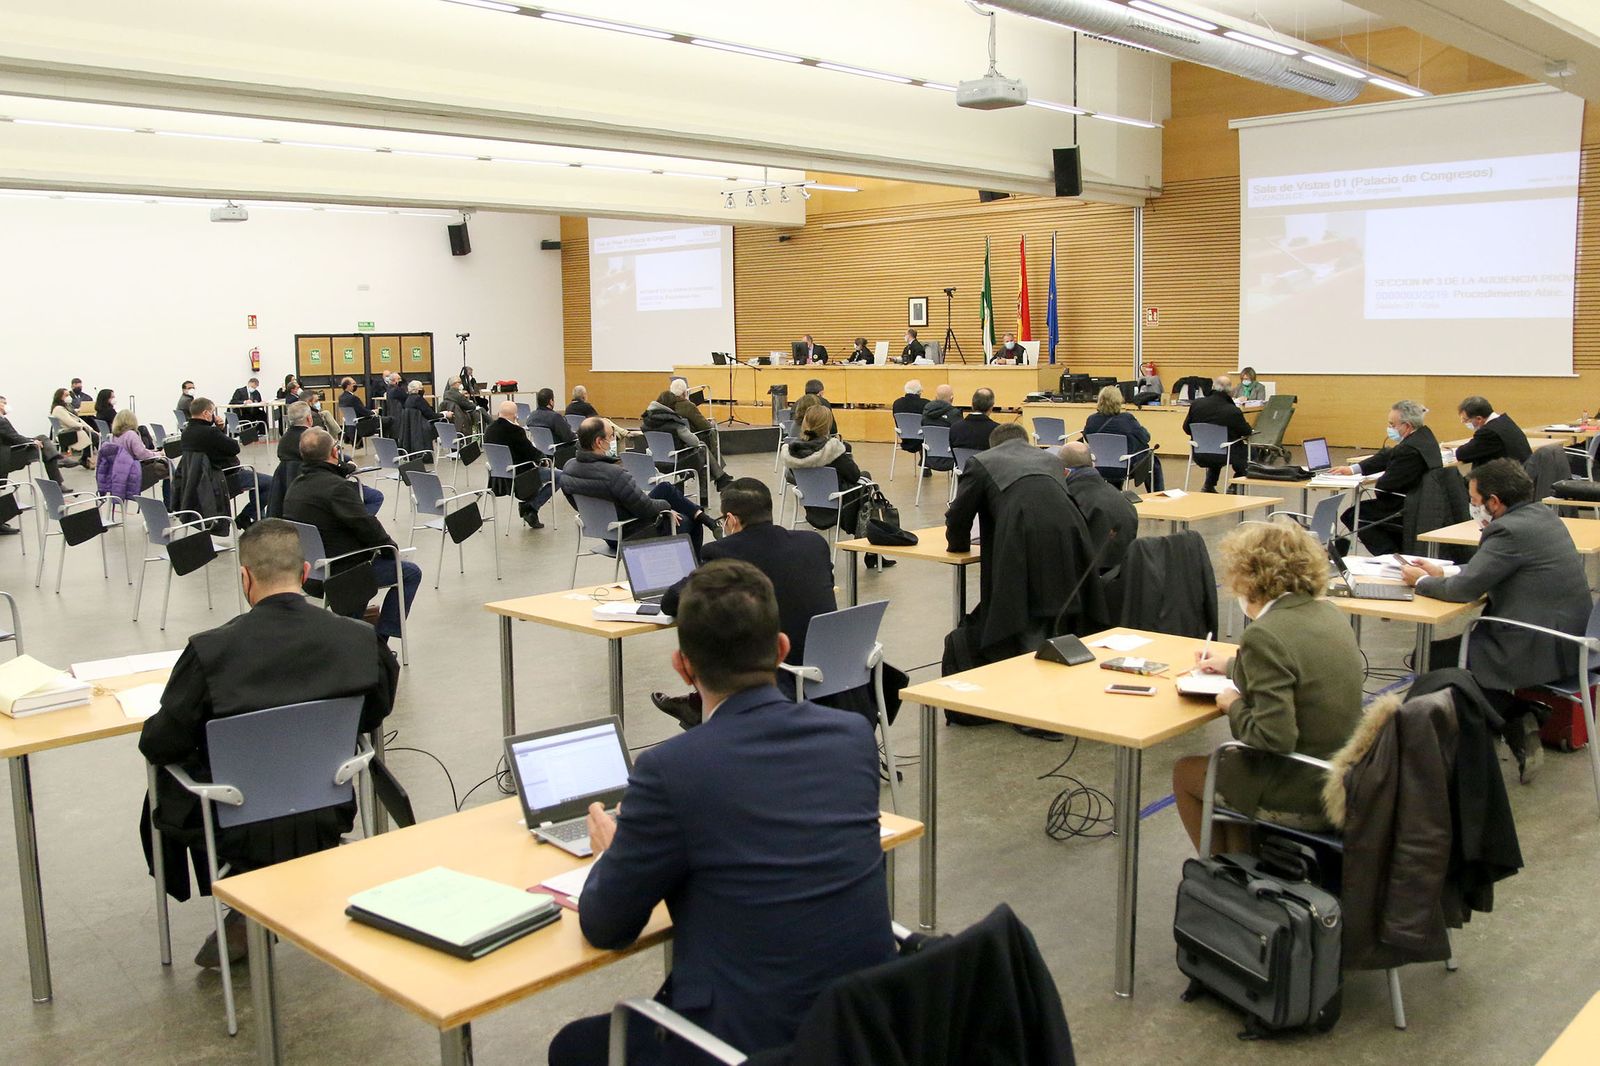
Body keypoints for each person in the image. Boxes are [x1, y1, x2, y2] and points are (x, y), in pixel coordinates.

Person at [547, 559, 893, 1066]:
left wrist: (611, 854)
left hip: (749, 1045)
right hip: (860, 1028)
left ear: (683, 667)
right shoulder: (852, 737)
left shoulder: (671, 769)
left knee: (572, 1048)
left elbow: (607, 927)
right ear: (781, 648)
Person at [139, 519, 398, 966]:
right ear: (305, 573)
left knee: (170, 784)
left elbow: (160, 744)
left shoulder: (210, 651)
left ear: (244, 577)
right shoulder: (358, 638)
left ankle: (245, 904)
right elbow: (375, 711)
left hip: (233, 822)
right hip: (326, 809)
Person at [1172, 521, 1364, 853]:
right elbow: (1296, 669)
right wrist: (1231, 665)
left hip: (1303, 786)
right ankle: (1240, 870)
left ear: (1250, 577)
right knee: (1230, 774)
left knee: (1187, 774)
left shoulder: (1265, 634)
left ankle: (1217, 876)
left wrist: (1231, 704)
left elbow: (1273, 737)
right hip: (1345, 774)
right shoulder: (1328, 613)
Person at [1402, 459, 1591, 782]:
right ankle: (1504, 719)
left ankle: (1515, 717)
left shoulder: (1506, 530)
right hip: (1574, 641)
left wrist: (1419, 582)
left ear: (1494, 502)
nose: (1473, 508)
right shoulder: (1543, 516)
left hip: (1530, 643)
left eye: (1475, 501)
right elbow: (1494, 570)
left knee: (1430, 660)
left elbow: (1464, 591)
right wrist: (1444, 572)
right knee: (1451, 658)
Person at [945, 423, 1107, 714]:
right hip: (1071, 532)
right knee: (1060, 605)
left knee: (1025, 609)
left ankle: (1033, 707)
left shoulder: (981, 462)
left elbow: (960, 513)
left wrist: (956, 545)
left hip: (1022, 535)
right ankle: (1070, 690)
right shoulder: (1051, 459)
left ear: (994, 445)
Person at [651, 478, 838, 728]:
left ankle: (702, 706)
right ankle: (698, 704)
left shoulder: (723, 552)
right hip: (838, 672)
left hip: (775, 678)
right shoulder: (813, 543)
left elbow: (671, 602)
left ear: (731, 520)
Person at [284, 428, 420, 645]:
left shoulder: (294, 488)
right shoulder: (338, 489)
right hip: (344, 575)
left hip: (309, 575)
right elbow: (368, 528)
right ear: (334, 453)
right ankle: (378, 643)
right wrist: (391, 552)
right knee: (410, 572)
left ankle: (357, 633)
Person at [560, 417, 718, 553]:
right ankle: (693, 572)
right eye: (611, 436)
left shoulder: (568, 470)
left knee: (664, 488)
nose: (614, 439)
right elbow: (646, 509)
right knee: (690, 522)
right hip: (633, 532)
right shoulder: (614, 474)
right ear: (599, 442)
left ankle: (706, 518)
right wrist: (666, 506)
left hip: (609, 531)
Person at [1328, 399, 1441, 556]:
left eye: (1392, 425)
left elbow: (1384, 487)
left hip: (1405, 505)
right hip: (1424, 501)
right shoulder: (1424, 436)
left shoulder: (1408, 450)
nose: (1389, 429)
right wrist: (1353, 469)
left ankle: (1390, 555)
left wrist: (1384, 475)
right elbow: (1388, 455)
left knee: (1353, 514)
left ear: (1407, 426)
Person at [781, 403, 871, 537]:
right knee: (866, 478)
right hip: (838, 508)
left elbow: (792, 477)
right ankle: (866, 537)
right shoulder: (833, 450)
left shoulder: (793, 452)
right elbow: (854, 475)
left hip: (810, 507)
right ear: (827, 425)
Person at [279, 401, 383, 516]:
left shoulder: (283, 442)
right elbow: (328, 463)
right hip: (324, 488)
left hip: (296, 490)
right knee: (375, 497)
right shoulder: (312, 438)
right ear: (309, 419)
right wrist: (348, 466)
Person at [181, 397, 271, 526]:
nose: (213, 415)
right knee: (270, 483)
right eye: (212, 412)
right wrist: (218, 429)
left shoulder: (186, 433)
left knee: (257, 481)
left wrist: (218, 429)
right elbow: (234, 448)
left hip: (202, 481)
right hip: (225, 477)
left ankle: (255, 517)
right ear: (206, 413)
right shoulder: (210, 432)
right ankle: (246, 516)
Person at [1061, 442, 1138, 573]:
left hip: (1086, 579)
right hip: (1122, 576)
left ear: (1064, 472)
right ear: (1093, 465)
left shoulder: (1068, 500)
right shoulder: (1123, 500)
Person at [641, 388, 730, 501]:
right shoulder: (674, 424)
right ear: (672, 405)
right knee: (701, 449)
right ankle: (716, 483)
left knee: (701, 451)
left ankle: (721, 478)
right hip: (677, 461)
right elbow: (694, 442)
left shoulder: (646, 423)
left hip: (656, 462)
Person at [1182, 374, 1252, 493]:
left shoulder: (1197, 404)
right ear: (1230, 391)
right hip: (1224, 454)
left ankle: (1209, 485)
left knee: (1217, 445)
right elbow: (1246, 432)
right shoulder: (1233, 411)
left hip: (1199, 453)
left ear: (1213, 387)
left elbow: (1186, 428)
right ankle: (1235, 485)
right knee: (1251, 452)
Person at [484, 399, 548, 529]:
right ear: (515, 415)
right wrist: (543, 459)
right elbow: (530, 452)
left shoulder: (488, 430)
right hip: (520, 476)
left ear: (498, 413)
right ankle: (531, 507)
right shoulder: (516, 431)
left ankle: (530, 508)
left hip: (499, 477)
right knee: (559, 476)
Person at [1082, 384, 1152, 488]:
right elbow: (1146, 438)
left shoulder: (1092, 420)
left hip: (1098, 466)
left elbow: (1088, 438)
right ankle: (1156, 492)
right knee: (1150, 456)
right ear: (1118, 401)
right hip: (1124, 468)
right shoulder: (1127, 419)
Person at [98, 409, 167, 502]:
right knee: (168, 469)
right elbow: (142, 455)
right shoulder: (131, 435)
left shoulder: (113, 436)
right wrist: (159, 454)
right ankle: (169, 505)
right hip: (133, 474)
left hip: (119, 474)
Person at [0, 394, 67, 485]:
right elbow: (15, 437)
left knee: (42, 439)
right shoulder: (1, 421)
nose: (7, 405)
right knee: (45, 452)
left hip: (9, 449)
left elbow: (13, 437)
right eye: (4, 403)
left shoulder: (2, 419)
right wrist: (31, 442)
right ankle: (57, 464)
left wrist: (31, 440)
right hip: (7, 457)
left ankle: (56, 457)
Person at [1454, 396, 1531, 466]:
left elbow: (1462, 454)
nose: (1463, 423)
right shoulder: (1505, 421)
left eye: (1465, 420)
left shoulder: (1488, 433)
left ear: (1479, 419)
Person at [50, 387, 95, 467]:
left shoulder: (65, 407)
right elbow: (71, 422)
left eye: (69, 395)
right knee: (91, 435)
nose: (69, 397)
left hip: (70, 430)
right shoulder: (59, 409)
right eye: (66, 395)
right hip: (67, 432)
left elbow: (75, 419)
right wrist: (83, 426)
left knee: (92, 434)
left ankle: (85, 459)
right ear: (60, 397)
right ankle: (85, 459)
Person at [920, 383, 958, 473]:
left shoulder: (925, 412)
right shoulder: (955, 414)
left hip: (929, 458)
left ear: (936, 397)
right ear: (952, 398)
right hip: (951, 458)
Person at [950, 388, 1001, 453]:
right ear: (991, 407)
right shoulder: (997, 430)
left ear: (972, 405)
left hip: (963, 463)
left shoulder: (955, 428)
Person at [892, 380, 928, 461]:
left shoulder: (897, 403)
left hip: (904, 438)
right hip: (922, 439)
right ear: (919, 392)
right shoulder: (925, 404)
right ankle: (926, 463)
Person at [337, 376, 379, 441]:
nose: (356, 385)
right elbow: (364, 412)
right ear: (348, 386)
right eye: (353, 384)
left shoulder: (341, 398)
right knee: (388, 420)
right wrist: (374, 412)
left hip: (350, 425)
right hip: (361, 425)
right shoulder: (353, 398)